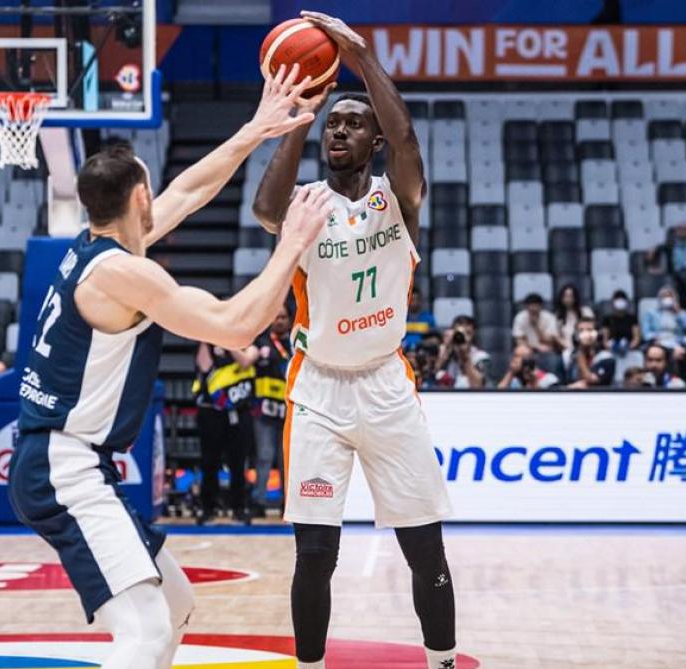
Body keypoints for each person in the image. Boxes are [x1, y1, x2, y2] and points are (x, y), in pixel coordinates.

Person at [7, 65, 330, 669]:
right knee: (146, 630)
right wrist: (292, 243)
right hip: (64, 465)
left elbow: (188, 192)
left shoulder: (100, 246)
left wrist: (256, 130)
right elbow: (238, 325)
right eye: (152, 190)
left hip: (70, 461)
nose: (161, 196)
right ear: (137, 197)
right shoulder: (125, 274)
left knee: (174, 604)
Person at [251, 13, 458, 668]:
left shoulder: (400, 197)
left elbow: (409, 140)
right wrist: (303, 111)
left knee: (426, 550)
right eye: (333, 122)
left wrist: (363, 59)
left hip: (387, 385)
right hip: (319, 391)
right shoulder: (305, 203)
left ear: (373, 141)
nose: (340, 129)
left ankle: (444, 661)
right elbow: (264, 209)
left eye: (352, 122)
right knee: (314, 553)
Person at [193, 342, 257, 524]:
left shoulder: (249, 342)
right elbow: (204, 366)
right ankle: (208, 509)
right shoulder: (206, 342)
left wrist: (227, 342)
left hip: (239, 412)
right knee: (209, 463)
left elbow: (245, 361)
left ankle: (238, 508)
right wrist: (207, 338)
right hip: (211, 412)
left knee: (238, 463)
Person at [252, 303, 293, 516]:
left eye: (283, 317)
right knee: (264, 456)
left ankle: (289, 504)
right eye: (276, 317)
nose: (280, 321)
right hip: (264, 410)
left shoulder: (296, 342)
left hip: (288, 411)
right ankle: (258, 502)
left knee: (286, 459)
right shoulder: (261, 342)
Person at [646, 220, 686, 309]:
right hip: (677, 277)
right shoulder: (672, 244)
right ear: (675, 231)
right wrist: (654, 249)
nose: (683, 231)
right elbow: (660, 248)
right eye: (680, 229)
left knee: (685, 279)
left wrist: (684, 273)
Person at [435, 314, 488, 388]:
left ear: (473, 335)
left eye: (468, 333)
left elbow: (477, 386)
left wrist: (465, 357)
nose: (463, 338)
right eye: (460, 334)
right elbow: (433, 378)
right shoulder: (448, 354)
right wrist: (445, 350)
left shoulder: (481, 357)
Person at [512, 293, 560, 372]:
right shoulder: (520, 317)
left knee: (547, 351)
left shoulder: (549, 317)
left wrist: (535, 326)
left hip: (546, 348)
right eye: (530, 305)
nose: (533, 308)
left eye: (536, 305)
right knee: (521, 350)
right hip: (528, 347)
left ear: (541, 306)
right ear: (526, 307)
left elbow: (549, 340)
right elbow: (519, 340)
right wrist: (535, 347)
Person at [640, 286, 686, 352]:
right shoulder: (651, 313)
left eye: (669, 296)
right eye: (664, 297)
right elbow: (646, 333)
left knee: (682, 351)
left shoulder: (680, 313)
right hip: (658, 342)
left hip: (676, 342)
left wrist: (678, 312)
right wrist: (655, 338)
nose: (667, 299)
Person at [565, 318, 615, 388]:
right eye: (581, 331)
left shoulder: (606, 357)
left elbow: (592, 381)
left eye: (589, 330)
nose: (585, 334)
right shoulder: (567, 356)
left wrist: (580, 358)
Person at [553, 283, 594, 356]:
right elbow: (557, 337)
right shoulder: (558, 316)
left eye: (570, 296)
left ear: (575, 297)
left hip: (586, 348)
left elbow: (593, 331)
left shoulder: (586, 311)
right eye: (565, 296)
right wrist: (570, 348)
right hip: (568, 350)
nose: (568, 299)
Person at [600, 290, 641, 358]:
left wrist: (628, 348)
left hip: (629, 350)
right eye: (617, 300)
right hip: (611, 350)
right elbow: (605, 340)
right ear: (613, 303)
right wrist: (612, 349)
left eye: (622, 300)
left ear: (626, 303)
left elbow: (636, 338)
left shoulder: (632, 319)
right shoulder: (607, 319)